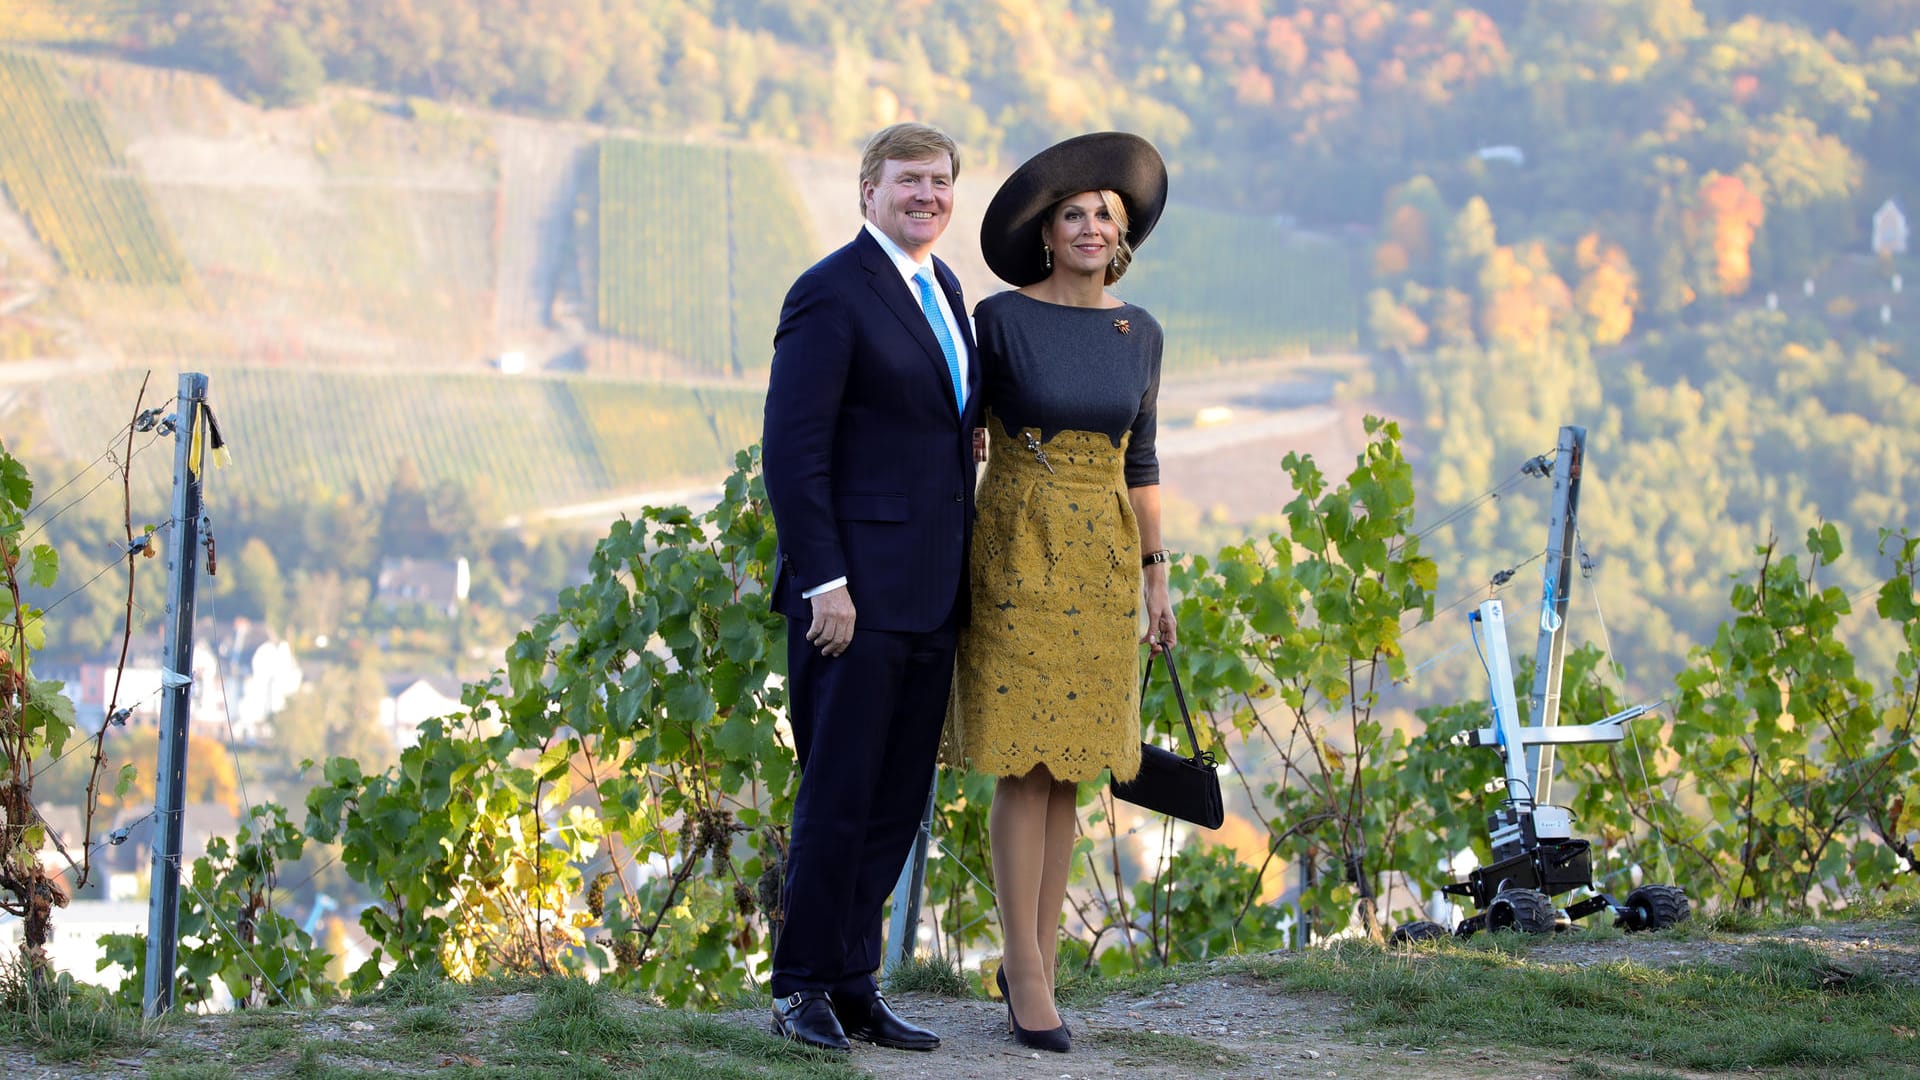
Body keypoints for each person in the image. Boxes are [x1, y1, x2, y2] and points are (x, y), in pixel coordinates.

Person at [760, 122, 980, 1055]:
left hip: (933, 592)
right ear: (867, 191)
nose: (926, 196)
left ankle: (854, 983)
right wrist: (827, 582)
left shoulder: (947, 289)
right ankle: (799, 986)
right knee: (839, 795)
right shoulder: (828, 293)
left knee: (894, 801)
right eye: (908, 181)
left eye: (940, 182)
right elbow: (792, 450)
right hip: (851, 599)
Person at [953, 132, 1174, 1054]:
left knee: (1072, 763)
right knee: (1021, 759)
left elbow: (1146, 460)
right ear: (1048, 232)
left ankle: (1032, 959)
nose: (1090, 228)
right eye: (1075, 214)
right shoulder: (999, 319)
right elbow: (957, 429)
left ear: (1122, 237)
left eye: (1105, 217)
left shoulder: (1144, 332)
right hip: (1017, 546)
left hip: (1105, 561)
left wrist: (1158, 576)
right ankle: (1029, 974)